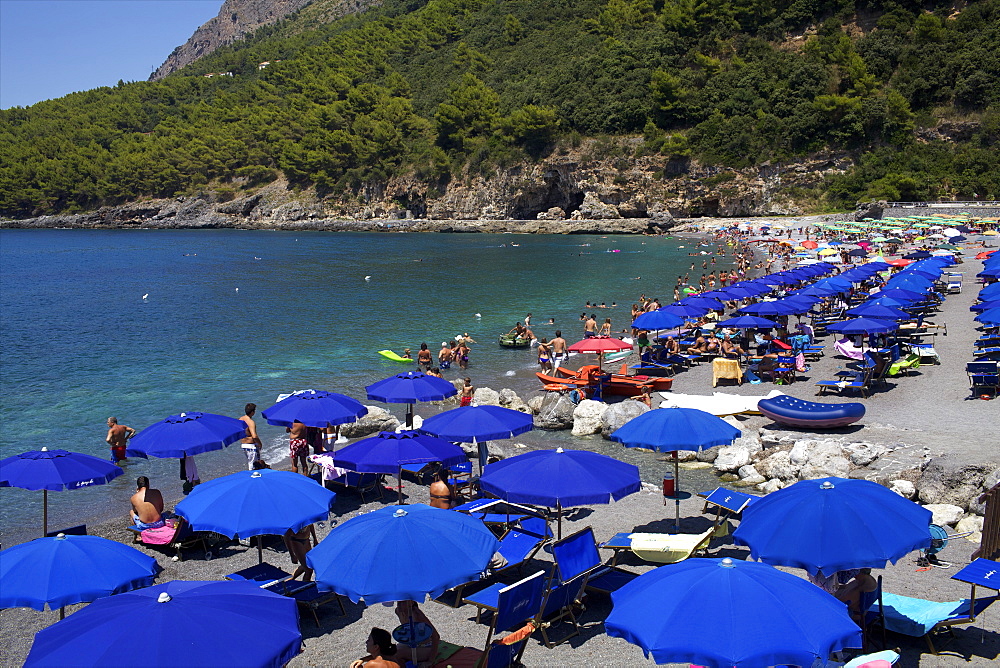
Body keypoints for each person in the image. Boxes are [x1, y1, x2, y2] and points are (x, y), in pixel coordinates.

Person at [393, 601, 440, 667]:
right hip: (412, 643)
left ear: (411, 602)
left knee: (397, 654)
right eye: (398, 602)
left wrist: (430, 661)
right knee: (391, 652)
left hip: (426, 646)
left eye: (402, 602)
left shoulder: (417, 614)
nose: (399, 605)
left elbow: (436, 636)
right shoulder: (398, 611)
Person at [238, 403, 263, 470]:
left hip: (243, 445)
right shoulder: (250, 422)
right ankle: (254, 478)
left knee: (250, 462)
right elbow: (254, 436)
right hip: (251, 446)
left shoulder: (240, 419)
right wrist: (260, 444)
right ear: (252, 412)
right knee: (255, 464)